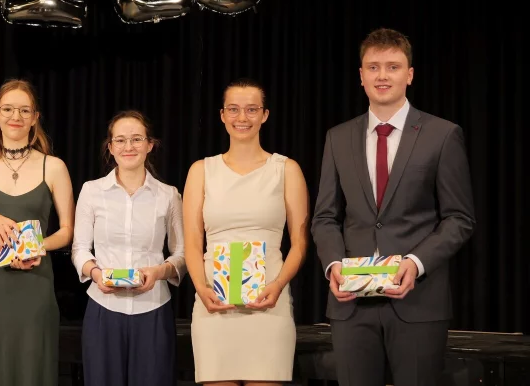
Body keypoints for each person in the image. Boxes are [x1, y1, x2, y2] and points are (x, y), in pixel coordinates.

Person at [311, 28, 476, 386]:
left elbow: (459, 218)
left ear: (410, 74)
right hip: (351, 305)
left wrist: (415, 264)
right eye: (373, 67)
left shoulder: (443, 135)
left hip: (418, 303)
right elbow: (325, 216)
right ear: (361, 76)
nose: (382, 75)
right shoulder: (337, 137)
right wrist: (333, 266)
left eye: (392, 66)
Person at [183, 79, 310, 385]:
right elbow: (191, 242)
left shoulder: (286, 169)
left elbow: (300, 243)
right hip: (215, 305)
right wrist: (201, 288)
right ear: (222, 115)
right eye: (234, 109)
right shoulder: (201, 170)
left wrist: (278, 285)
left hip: (269, 304)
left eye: (251, 109)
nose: (243, 118)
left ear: (264, 115)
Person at [0, 79, 75, 386]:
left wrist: (36, 248)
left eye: (24, 110)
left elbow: (67, 232)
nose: (16, 116)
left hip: (33, 287)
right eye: (8, 109)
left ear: (35, 117)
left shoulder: (54, 167)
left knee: (30, 369)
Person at [71, 110, 186, 386]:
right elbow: (80, 249)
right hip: (103, 308)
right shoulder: (92, 190)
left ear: (150, 145)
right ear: (110, 148)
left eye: (136, 139)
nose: (129, 147)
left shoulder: (168, 195)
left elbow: (181, 254)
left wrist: (159, 272)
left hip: (154, 309)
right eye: (120, 140)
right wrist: (95, 273)